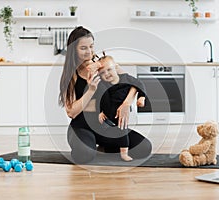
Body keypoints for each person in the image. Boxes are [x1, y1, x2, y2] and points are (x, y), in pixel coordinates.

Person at [59, 26, 152, 164]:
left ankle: (104, 146)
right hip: (82, 126)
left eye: (91, 46)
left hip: (106, 126)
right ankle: (89, 144)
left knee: (144, 148)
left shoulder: (104, 64)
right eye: (83, 48)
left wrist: (126, 104)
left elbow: (133, 83)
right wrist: (90, 90)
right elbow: (71, 112)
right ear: (74, 50)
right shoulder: (71, 75)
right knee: (84, 155)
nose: (89, 52)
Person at [96, 54, 146, 161]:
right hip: (107, 118)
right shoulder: (103, 84)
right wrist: (101, 111)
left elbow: (139, 84)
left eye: (109, 69)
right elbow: (99, 99)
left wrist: (141, 98)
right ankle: (106, 146)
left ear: (116, 67)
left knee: (122, 130)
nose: (107, 74)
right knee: (116, 132)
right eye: (103, 72)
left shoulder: (125, 78)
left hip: (120, 115)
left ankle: (124, 153)